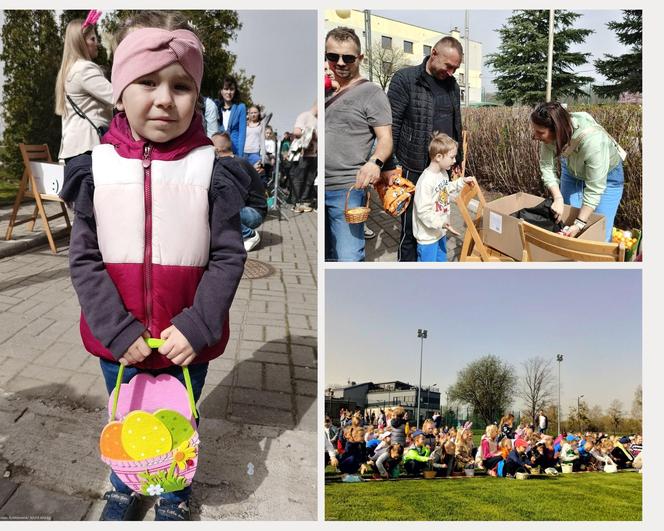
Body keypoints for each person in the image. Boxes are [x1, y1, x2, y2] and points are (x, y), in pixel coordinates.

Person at [61, 15, 250, 521]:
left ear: (197, 96)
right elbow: (83, 258)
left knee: (178, 416)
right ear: (120, 91)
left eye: (181, 85)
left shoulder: (211, 171)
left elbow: (229, 255)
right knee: (126, 413)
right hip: (117, 339)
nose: (165, 98)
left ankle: (173, 489)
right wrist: (115, 328)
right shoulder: (96, 169)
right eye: (147, 81)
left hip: (187, 338)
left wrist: (197, 324)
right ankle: (125, 481)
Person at [384, 36, 464, 262]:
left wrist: (458, 160)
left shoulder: (452, 85)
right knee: (412, 227)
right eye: (448, 66)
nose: (450, 72)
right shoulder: (405, 79)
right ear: (434, 53)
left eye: (455, 69)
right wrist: (390, 164)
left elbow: (457, 123)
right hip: (413, 165)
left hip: (442, 168)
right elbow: (392, 124)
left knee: (437, 218)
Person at [324, 26, 392, 262]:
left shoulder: (371, 93)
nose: (340, 63)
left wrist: (375, 162)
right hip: (318, 187)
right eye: (333, 56)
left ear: (360, 58)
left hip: (347, 190)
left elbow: (385, 138)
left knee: (348, 258)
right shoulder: (326, 93)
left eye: (348, 57)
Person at [530, 101, 626, 241]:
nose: (535, 136)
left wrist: (580, 224)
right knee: (565, 220)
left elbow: (594, 189)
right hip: (572, 169)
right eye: (534, 130)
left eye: (540, 132)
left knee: (599, 232)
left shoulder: (594, 143)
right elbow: (546, 166)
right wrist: (558, 198)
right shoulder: (551, 133)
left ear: (558, 130)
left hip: (607, 177)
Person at [55, 14, 113, 163]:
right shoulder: (85, 69)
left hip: (74, 149)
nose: (97, 43)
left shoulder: (69, 70)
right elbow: (115, 97)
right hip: (89, 148)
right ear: (81, 42)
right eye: (92, 39)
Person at [413, 132, 474, 262]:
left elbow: (445, 189)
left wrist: (462, 181)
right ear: (439, 157)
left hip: (440, 232)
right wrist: (441, 222)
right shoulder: (425, 182)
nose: (455, 160)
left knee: (441, 262)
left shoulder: (443, 173)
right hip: (428, 238)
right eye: (452, 157)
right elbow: (423, 212)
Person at [212, 132, 267, 252]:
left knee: (216, 208)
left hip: (254, 213)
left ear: (216, 149)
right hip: (252, 210)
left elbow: (234, 196)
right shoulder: (236, 161)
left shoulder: (233, 164)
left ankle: (249, 234)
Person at [291, 102, 318, 213]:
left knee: (309, 179)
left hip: (314, 154)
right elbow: (296, 132)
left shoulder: (319, 120)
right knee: (299, 179)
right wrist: (308, 133)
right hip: (302, 154)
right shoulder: (305, 116)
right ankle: (297, 202)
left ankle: (305, 201)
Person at [216, 75, 247, 157]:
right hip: (219, 152)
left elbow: (242, 135)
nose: (229, 92)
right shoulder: (216, 108)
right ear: (221, 91)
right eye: (226, 89)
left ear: (235, 91)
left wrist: (239, 156)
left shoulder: (241, 107)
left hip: (234, 152)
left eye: (231, 89)